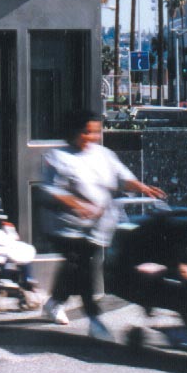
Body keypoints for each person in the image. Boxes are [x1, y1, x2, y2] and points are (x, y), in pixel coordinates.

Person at [34, 115, 164, 339]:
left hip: (97, 226)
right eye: (86, 132)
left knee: (76, 267)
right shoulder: (58, 157)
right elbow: (52, 190)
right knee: (81, 267)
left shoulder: (105, 155)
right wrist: (77, 204)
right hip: (65, 227)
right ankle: (94, 320)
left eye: (95, 132)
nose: (91, 137)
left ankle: (55, 301)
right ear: (74, 132)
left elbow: (123, 178)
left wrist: (144, 188)